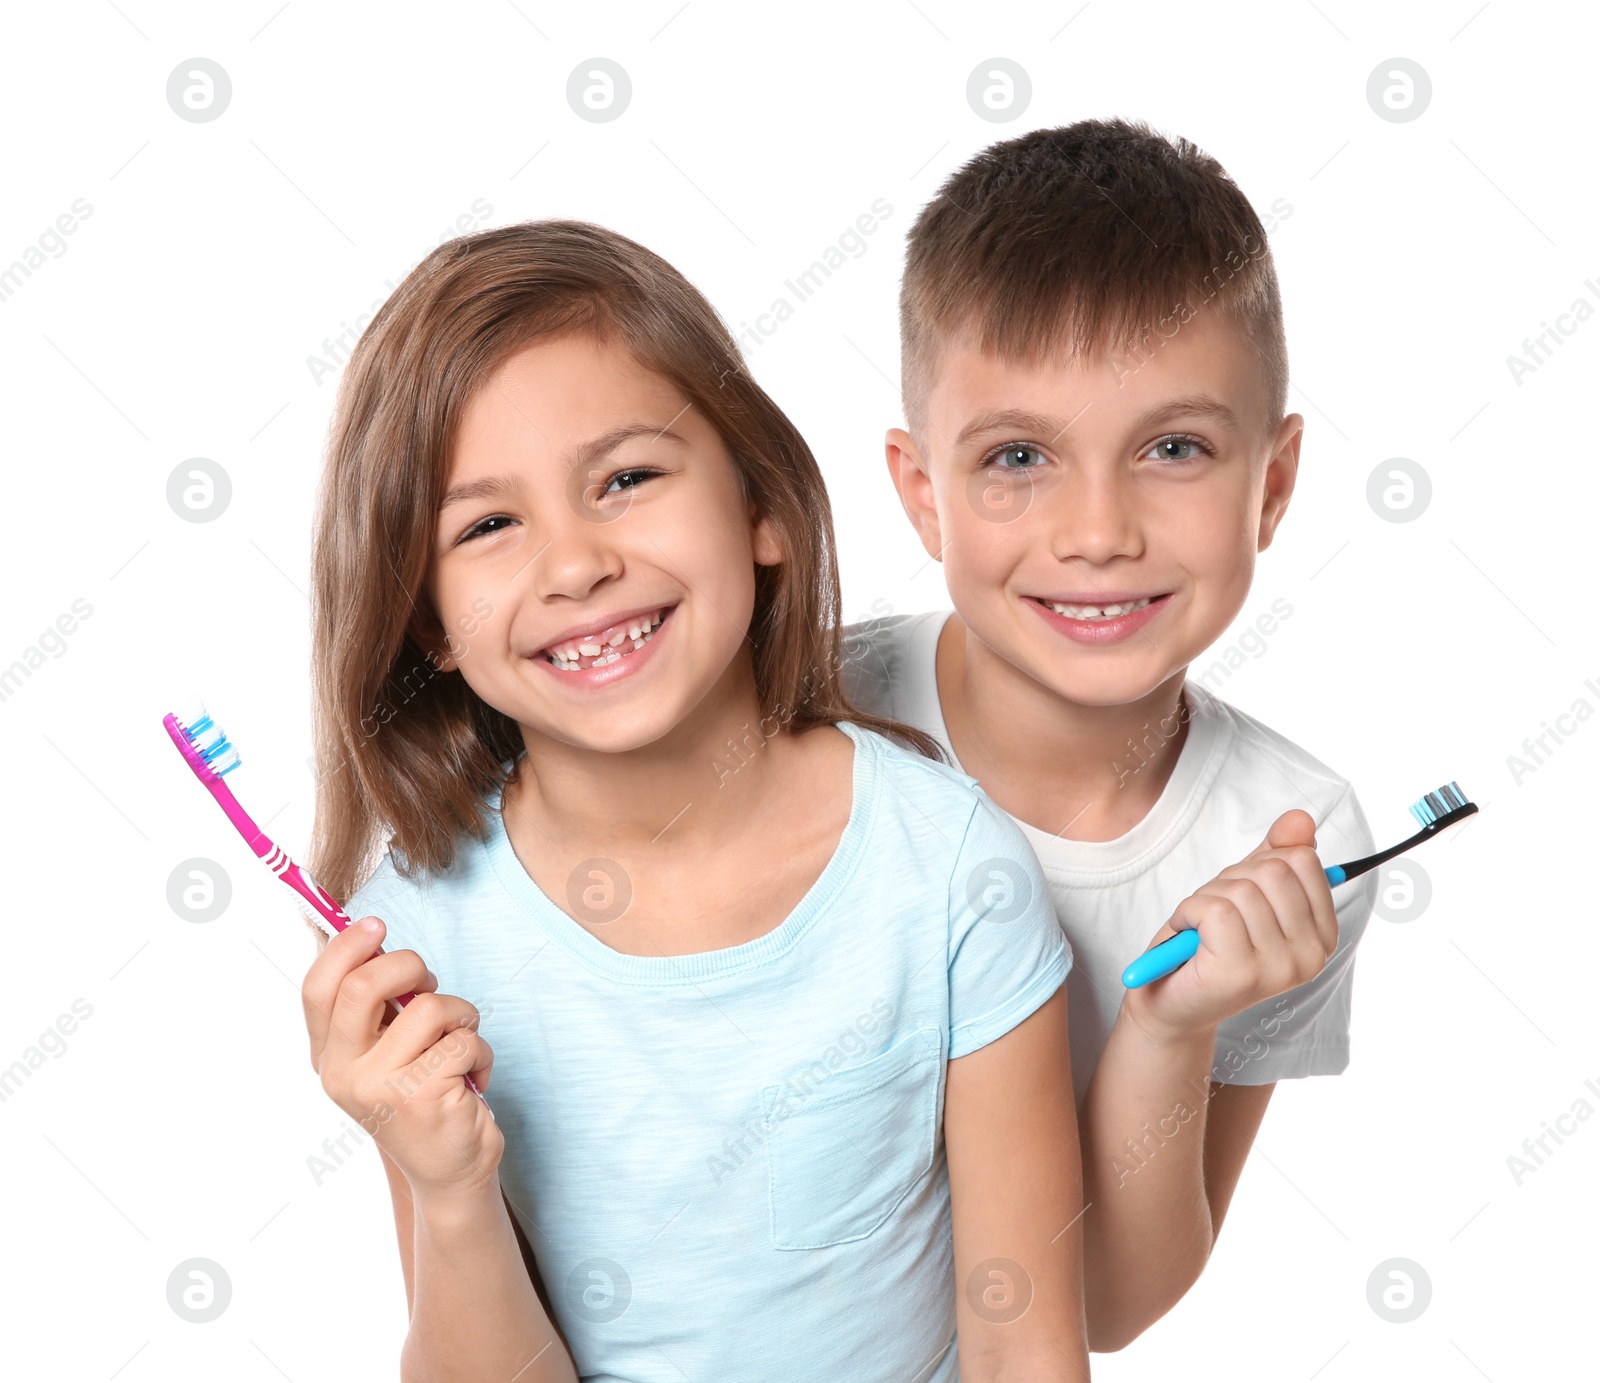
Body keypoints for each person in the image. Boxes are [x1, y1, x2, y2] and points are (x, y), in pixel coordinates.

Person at [299, 219, 1090, 1381]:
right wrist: (448, 1187)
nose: (573, 565)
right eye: (488, 526)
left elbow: (1028, 1347)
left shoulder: (947, 871)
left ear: (760, 506)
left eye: (626, 479)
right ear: (428, 624)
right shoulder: (420, 949)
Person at [841, 118, 1376, 1351]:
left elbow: (1112, 1311)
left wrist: (1171, 1029)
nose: (1096, 531)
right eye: (1017, 455)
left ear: (1275, 485)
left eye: (1173, 449)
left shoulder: (1289, 848)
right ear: (922, 492)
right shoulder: (804, 708)